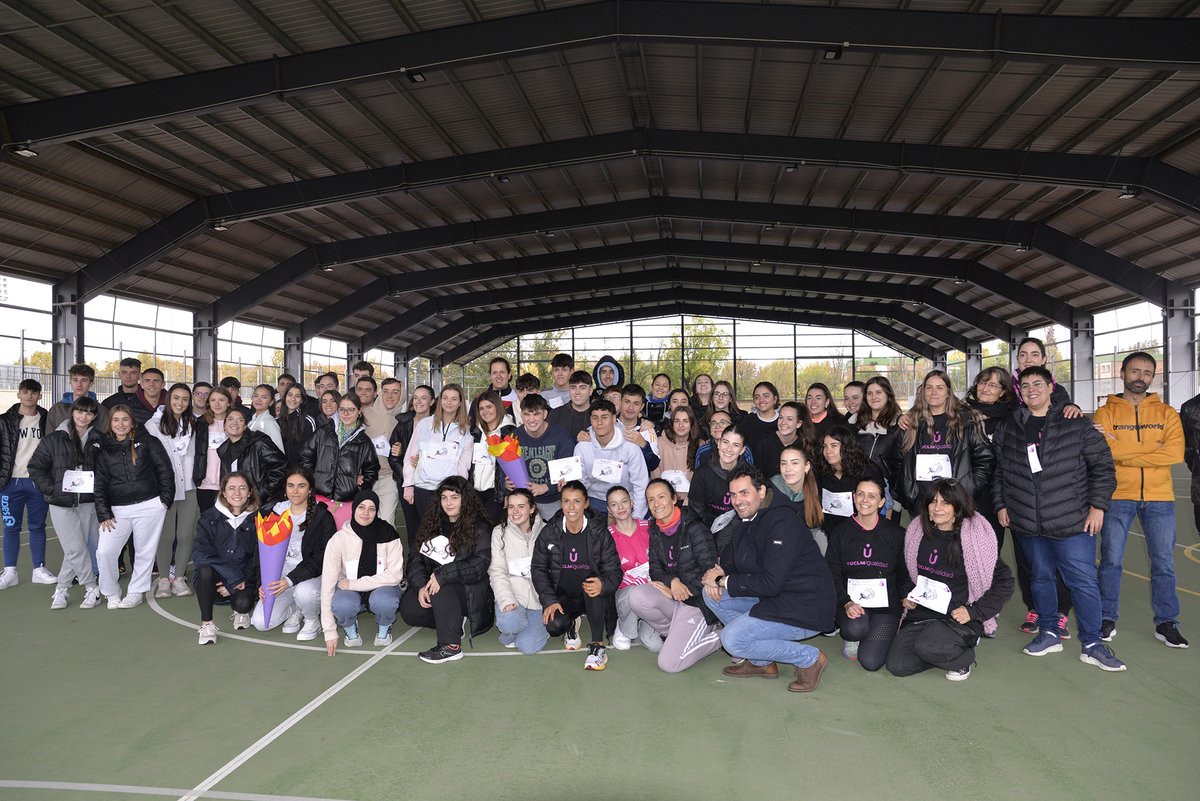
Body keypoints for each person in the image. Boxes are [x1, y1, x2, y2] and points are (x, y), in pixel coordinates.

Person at [992, 366, 1124, 670]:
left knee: (1084, 583)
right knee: (1040, 578)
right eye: (1025, 386)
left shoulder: (1074, 422)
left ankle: (1092, 643)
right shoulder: (1010, 427)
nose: (1031, 390)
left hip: (1072, 522)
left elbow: (1103, 468)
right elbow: (1000, 470)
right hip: (1027, 522)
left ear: (1051, 387)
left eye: (1038, 384)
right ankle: (1049, 632)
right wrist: (1001, 504)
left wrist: (1098, 506)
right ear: (1019, 392)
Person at [700, 465, 836, 693]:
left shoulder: (781, 522)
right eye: (733, 495)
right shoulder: (745, 521)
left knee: (732, 640)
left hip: (805, 605)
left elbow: (771, 582)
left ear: (761, 491)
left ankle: (809, 658)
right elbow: (735, 562)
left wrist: (723, 580)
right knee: (712, 595)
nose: (737, 500)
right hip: (774, 597)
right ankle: (762, 663)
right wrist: (716, 575)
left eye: (744, 493)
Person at [1092, 351, 1188, 648]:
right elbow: (1105, 452)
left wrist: (1124, 452)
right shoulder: (1104, 413)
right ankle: (1106, 617)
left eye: (1147, 373)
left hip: (1160, 498)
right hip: (1118, 496)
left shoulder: (1167, 413)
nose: (1141, 377)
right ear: (1122, 374)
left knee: (1164, 563)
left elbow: (1175, 453)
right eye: (1135, 371)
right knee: (1110, 560)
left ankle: (1166, 622)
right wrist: (1150, 453)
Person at [967, 366, 1070, 635]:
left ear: (1004, 393)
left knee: (1010, 557)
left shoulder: (1014, 419)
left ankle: (1035, 608)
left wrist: (1074, 410)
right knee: (961, 555)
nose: (986, 388)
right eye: (982, 382)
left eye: (994, 385)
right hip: (966, 496)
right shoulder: (962, 415)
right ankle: (964, 605)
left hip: (1006, 498)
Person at [886, 479, 1014, 681]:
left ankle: (963, 657)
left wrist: (974, 611)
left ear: (958, 507)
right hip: (921, 613)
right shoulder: (916, 532)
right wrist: (906, 594)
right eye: (933, 501)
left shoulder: (974, 539)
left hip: (957, 617)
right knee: (897, 665)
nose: (937, 508)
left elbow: (1005, 582)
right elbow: (908, 574)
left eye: (945, 503)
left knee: (926, 646)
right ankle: (938, 646)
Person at [628, 479, 723, 672]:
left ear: (674, 499)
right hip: (675, 598)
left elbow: (710, 572)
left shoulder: (695, 527)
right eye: (651, 500)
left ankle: (723, 636)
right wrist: (672, 582)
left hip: (698, 602)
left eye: (661, 497)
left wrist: (682, 589)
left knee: (669, 664)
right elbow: (655, 570)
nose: (657, 504)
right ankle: (673, 633)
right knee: (636, 596)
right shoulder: (654, 529)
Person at [399, 476, 494, 663]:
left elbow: (480, 564)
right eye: (444, 497)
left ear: (465, 499)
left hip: (469, 591)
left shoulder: (479, 527)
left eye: (454, 497)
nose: (448, 503)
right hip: (436, 585)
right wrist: (419, 586)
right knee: (410, 610)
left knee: (441, 588)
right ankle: (452, 621)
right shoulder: (432, 523)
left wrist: (443, 574)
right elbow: (415, 558)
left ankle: (451, 646)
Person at [531, 481, 622, 670]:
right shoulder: (550, 532)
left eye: (577, 501)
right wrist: (549, 600)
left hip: (591, 597)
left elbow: (614, 570)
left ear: (586, 503)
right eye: (566, 501)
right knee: (553, 626)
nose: (571, 507)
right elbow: (538, 568)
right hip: (563, 596)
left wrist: (603, 584)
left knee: (592, 586)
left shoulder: (599, 533)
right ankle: (571, 622)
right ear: (561, 504)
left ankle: (598, 647)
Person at [93, 405, 174, 608]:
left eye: (124, 419)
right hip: (117, 509)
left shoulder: (148, 442)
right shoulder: (104, 449)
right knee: (104, 551)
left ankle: (136, 591)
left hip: (149, 505)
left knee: (144, 551)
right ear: (110, 424)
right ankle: (111, 592)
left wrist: (164, 500)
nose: (120, 424)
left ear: (132, 422)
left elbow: (164, 470)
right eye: (116, 420)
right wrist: (103, 512)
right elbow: (100, 483)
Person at [28, 396, 103, 610]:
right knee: (75, 547)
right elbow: (35, 467)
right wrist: (52, 489)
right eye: (80, 411)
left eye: (89, 413)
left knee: (75, 548)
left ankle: (61, 589)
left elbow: (105, 471)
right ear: (73, 413)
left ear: (94, 417)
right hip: (60, 503)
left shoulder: (99, 440)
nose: (83, 416)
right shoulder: (53, 439)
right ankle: (91, 588)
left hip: (88, 502)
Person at [824, 476, 906, 670]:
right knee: (855, 629)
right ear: (853, 497)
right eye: (860, 494)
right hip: (852, 603)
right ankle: (856, 635)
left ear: (881, 502)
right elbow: (831, 573)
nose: (864, 500)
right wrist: (846, 602)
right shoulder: (840, 532)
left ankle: (880, 633)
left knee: (871, 662)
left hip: (886, 606)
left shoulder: (897, 533)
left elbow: (905, 574)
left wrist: (904, 604)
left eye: (872, 496)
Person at [250, 468, 336, 639]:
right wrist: (263, 582)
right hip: (280, 579)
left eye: (301, 486)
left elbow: (323, 557)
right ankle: (297, 609)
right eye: (291, 486)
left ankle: (312, 619)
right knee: (261, 623)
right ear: (285, 488)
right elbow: (260, 553)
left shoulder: (322, 516)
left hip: (309, 578)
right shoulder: (275, 512)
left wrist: (290, 580)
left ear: (310, 489)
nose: (295, 491)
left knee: (304, 592)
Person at [896, 370, 993, 518]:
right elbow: (898, 460)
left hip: (955, 503)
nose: (933, 392)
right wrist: (907, 490)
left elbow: (984, 459)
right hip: (921, 504)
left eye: (939, 387)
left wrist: (969, 488)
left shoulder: (966, 421)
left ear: (948, 392)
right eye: (929, 387)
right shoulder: (911, 423)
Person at [321, 490, 404, 655]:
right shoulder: (339, 539)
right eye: (361, 507)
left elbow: (395, 576)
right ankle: (349, 626)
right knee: (342, 603)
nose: (366, 513)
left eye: (372, 509)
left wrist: (354, 584)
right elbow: (327, 585)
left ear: (377, 511)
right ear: (354, 509)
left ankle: (384, 625)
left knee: (385, 600)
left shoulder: (389, 534)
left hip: (382, 588)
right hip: (350, 592)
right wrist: (329, 630)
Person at [145, 383, 204, 598]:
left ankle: (179, 578)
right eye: (176, 398)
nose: (180, 403)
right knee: (166, 535)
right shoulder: (153, 425)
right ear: (168, 399)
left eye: (185, 399)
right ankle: (163, 579)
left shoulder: (194, 425)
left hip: (189, 486)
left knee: (186, 534)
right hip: (165, 488)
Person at [192, 472, 259, 644]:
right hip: (214, 580)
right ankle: (207, 624)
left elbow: (258, 559)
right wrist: (231, 576)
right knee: (204, 570)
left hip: (243, 578)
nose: (237, 493)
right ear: (223, 492)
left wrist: (234, 582)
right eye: (232, 488)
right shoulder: (209, 517)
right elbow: (200, 554)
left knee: (243, 604)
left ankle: (239, 610)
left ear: (250, 492)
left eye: (242, 488)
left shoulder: (259, 519)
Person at [0, 379, 52, 589]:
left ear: (40, 395)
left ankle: (38, 569)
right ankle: (10, 571)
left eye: (34, 392)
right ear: (19, 394)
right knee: (10, 527)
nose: (29, 396)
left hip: (37, 482)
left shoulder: (47, 419)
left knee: (37, 526)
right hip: (10, 482)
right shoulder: (4, 421)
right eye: (25, 392)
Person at [302, 394, 380, 529]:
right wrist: (313, 478)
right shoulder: (323, 432)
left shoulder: (364, 442)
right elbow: (306, 456)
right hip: (320, 498)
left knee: (341, 542)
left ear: (359, 411)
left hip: (346, 502)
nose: (346, 414)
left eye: (351, 410)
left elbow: (372, 469)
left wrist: (360, 484)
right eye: (342, 409)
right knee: (317, 541)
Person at [488, 489, 550, 654]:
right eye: (511, 507)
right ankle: (511, 628)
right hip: (513, 597)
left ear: (532, 508)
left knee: (528, 648)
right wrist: (506, 600)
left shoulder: (548, 531)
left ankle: (527, 629)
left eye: (521, 506)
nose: (515, 512)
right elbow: (497, 572)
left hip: (539, 601)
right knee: (510, 623)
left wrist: (548, 600)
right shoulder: (499, 533)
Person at [402, 383, 473, 519]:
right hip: (423, 489)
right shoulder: (424, 425)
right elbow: (410, 457)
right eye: (445, 398)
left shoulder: (465, 431)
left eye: (454, 399)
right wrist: (408, 485)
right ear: (440, 401)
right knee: (426, 532)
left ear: (460, 403)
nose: (449, 402)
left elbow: (463, 465)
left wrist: (459, 491)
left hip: (448, 493)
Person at [575, 399, 649, 518]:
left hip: (624, 503)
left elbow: (640, 485)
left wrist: (636, 518)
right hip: (594, 502)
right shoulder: (582, 447)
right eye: (595, 418)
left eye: (604, 417)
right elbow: (580, 483)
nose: (599, 423)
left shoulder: (630, 448)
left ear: (614, 419)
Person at [512, 393, 577, 521]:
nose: (531, 419)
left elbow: (568, 474)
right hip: (523, 500)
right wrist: (506, 484)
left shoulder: (561, 435)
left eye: (536, 414)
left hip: (553, 500)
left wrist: (546, 487)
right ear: (521, 414)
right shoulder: (514, 436)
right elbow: (505, 470)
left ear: (545, 414)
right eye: (527, 414)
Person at [605, 485, 653, 650]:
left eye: (624, 501)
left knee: (654, 645)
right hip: (626, 593)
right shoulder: (606, 536)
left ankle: (643, 625)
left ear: (632, 503)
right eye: (614, 504)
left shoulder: (650, 527)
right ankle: (624, 625)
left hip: (654, 591)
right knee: (633, 592)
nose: (620, 507)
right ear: (609, 509)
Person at [388, 384, 434, 545]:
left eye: (423, 398)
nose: (418, 401)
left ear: (432, 401)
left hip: (430, 484)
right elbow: (393, 457)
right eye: (415, 397)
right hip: (406, 484)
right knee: (412, 528)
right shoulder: (403, 424)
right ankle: (415, 566)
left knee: (431, 528)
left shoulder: (438, 424)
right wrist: (408, 479)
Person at [360, 377, 405, 529]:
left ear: (402, 395)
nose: (390, 396)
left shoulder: (404, 420)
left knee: (386, 523)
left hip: (389, 478)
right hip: (366, 477)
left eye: (395, 392)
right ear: (380, 393)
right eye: (386, 391)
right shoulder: (363, 414)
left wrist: (401, 452)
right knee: (364, 522)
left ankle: (387, 553)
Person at [218, 406, 287, 504]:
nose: (235, 423)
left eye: (240, 420)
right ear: (224, 425)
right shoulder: (223, 450)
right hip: (235, 503)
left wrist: (264, 492)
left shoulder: (259, 442)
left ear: (246, 425)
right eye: (230, 419)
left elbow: (281, 465)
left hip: (259, 503)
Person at [855, 376, 903, 516]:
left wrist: (894, 494)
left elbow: (903, 463)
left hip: (887, 494)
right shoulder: (856, 423)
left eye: (878, 392)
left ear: (888, 395)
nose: (873, 397)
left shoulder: (899, 425)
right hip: (860, 490)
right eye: (869, 393)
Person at [470, 390, 516, 525]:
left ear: (498, 406)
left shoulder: (509, 432)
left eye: (489, 407)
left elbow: (512, 467)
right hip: (475, 492)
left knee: (490, 531)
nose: (485, 412)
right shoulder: (476, 432)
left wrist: (507, 493)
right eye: (481, 408)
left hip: (496, 494)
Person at [817, 426, 880, 522]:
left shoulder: (866, 470)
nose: (828, 451)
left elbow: (878, 502)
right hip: (830, 527)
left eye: (834, 446)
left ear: (846, 447)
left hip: (860, 526)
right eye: (825, 446)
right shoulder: (821, 469)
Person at [769, 444, 826, 550]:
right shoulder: (769, 491)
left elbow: (810, 533)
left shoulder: (814, 495)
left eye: (794, 463)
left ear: (807, 466)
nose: (787, 469)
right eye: (783, 463)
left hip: (799, 551)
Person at [690, 428, 749, 529]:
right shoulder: (702, 473)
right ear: (718, 444)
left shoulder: (748, 475)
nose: (729, 449)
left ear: (742, 450)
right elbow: (696, 511)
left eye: (736, 445)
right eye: (725, 442)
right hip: (707, 528)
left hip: (738, 527)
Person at [197, 386, 234, 512]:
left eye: (221, 400)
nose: (217, 404)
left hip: (229, 483)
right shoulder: (200, 424)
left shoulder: (236, 423)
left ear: (228, 402)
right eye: (213, 400)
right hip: (205, 483)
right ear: (208, 403)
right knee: (207, 520)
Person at [651, 406, 699, 502]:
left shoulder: (699, 446)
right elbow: (655, 475)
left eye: (685, 421)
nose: (681, 425)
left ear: (691, 424)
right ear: (672, 423)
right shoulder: (659, 443)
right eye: (677, 421)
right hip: (663, 501)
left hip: (689, 502)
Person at [752, 401, 811, 478]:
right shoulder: (765, 441)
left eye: (789, 419)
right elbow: (757, 473)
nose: (783, 422)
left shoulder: (804, 444)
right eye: (781, 417)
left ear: (798, 423)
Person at [47, 363, 109, 434]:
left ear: (91, 383)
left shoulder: (101, 411)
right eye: (75, 380)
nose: (79, 384)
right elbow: (48, 440)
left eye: (84, 380)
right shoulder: (57, 410)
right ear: (70, 382)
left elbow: (105, 439)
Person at [616, 384, 661, 473]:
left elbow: (653, 465)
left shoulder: (647, 430)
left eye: (636, 403)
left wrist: (643, 445)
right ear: (620, 402)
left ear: (642, 406)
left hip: (637, 485)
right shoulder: (608, 425)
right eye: (627, 402)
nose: (631, 407)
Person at [278, 384, 318, 468]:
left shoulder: (308, 421)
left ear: (302, 400)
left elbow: (312, 451)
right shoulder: (277, 421)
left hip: (300, 472)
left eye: (297, 396)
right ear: (284, 397)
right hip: (281, 472)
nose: (293, 399)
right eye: (290, 395)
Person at [735, 381, 781, 452]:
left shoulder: (783, 421)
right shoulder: (746, 422)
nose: (761, 400)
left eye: (766, 396)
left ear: (775, 399)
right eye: (757, 397)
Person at [470, 357, 520, 421]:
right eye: (494, 373)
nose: (498, 376)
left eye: (502, 372)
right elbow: (473, 428)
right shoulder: (478, 400)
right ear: (490, 375)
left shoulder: (518, 398)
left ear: (509, 374)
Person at [548, 370, 594, 439]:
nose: (577, 392)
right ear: (569, 390)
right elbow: (549, 443)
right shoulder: (556, 414)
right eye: (573, 388)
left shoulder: (598, 415)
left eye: (582, 388)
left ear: (590, 391)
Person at [248, 384, 284, 452]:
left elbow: (279, 452)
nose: (258, 400)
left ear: (271, 402)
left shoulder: (270, 423)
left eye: (264, 397)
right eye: (256, 396)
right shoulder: (252, 420)